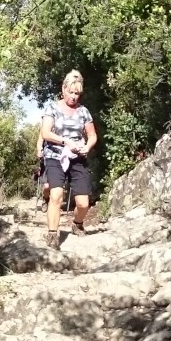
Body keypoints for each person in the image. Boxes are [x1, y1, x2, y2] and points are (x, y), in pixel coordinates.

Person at [40, 70, 97, 247]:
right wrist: (65, 141)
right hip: (55, 155)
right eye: (70, 92)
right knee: (56, 194)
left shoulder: (83, 111)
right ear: (63, 89)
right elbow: (45, 132)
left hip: (77, 157)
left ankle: (77, 224)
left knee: (83, 203)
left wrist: (86, 147)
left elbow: (92, 135)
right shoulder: (52, 107)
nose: (73, 97)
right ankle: (52, 235)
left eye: (77, 94)